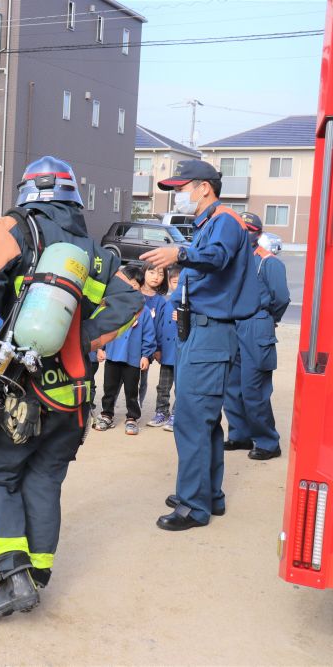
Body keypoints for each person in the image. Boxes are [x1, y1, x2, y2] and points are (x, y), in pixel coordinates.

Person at [0, 156, 142, 619]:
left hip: (19, 388)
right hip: (72, 395)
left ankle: (12, 576)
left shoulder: (14, 229)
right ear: (73, 196)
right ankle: (37, 575)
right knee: (45, 480)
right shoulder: (93, 250)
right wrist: (87, 337)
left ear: (25, 193)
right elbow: (129, 300)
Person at [141, 159, 260, 531]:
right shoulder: (211, 221)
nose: (179, 196)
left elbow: (218, 258)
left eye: (182, 188)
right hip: (202, 331)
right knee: (204, 420)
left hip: (211, 333)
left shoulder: (223, 219)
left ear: (204, 187)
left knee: (193, 419)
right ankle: (208, 495)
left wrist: (181, 254)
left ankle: (194, 506)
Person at [223, 212, 291, 461]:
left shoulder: (268, 262)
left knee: (254, 388)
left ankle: (267, 442)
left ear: (258, 234)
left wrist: (268, 320)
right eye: (240, 228)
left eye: (249, 229)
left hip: (256, 324)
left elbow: (281, 298)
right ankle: (239, 435)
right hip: (232, 324)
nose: (244, 233)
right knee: (232, 386)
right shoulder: (232, 260)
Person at [92, 264, 155, 436]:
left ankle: (132, 417)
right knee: (109, 387)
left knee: (131, 390)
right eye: (126, 283)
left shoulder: (144, 312)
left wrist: (146, 356)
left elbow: (149, 336)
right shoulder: (110, 307)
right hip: (112, 356)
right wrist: (100, 348)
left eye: (134, 285)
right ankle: (106, 414)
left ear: (140, 287)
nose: (129, 288)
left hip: (133, 358)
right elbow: (101, 329)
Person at [149, 266, 181, 432]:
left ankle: (177, 414)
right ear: (169, 282)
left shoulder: (192, 304)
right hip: (167, 352)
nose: (178, 285)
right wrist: (158, 348)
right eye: (175, 282)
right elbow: (159, 327)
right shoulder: (165, 302)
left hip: (182, 354)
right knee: (163, 385)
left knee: (180, 386)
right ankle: (161, 412)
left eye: (181, 282)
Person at [137, 263, 168, 409]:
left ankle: (136, 409)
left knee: (142, 380)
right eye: (152, 272)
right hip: (128, 344)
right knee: (117, 379)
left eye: (161, 274)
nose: (156, 277)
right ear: (143, 272)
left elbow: (161, 327)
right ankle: (108, 410)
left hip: (147, 348)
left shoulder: (161, 301)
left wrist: (158, 349)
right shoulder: (133, 293)